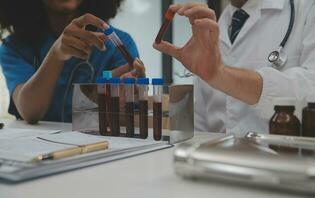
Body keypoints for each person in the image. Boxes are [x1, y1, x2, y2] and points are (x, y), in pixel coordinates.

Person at [154, 0, 315, 135]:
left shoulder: (307, 7)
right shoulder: (218, 23)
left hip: (286, 163)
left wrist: (220, 75)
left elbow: (311, 91)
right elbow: (201, 123)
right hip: (217, 163)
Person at [0, 0, 145, 123]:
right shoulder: (14, 47)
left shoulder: (119, 44)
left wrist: (124, 101)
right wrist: (56, 54)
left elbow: (128, 118)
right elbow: (30, 112)